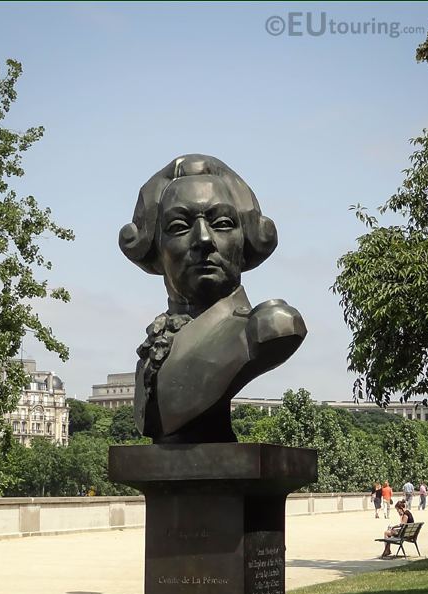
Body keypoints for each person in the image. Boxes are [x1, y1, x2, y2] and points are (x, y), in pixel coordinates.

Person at [121, 154, 306, 443]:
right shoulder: (158, 339)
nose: (204, 239)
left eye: (221, 223)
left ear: (246, 241)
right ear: (155, 249)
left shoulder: (269, 327)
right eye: (179, 226)